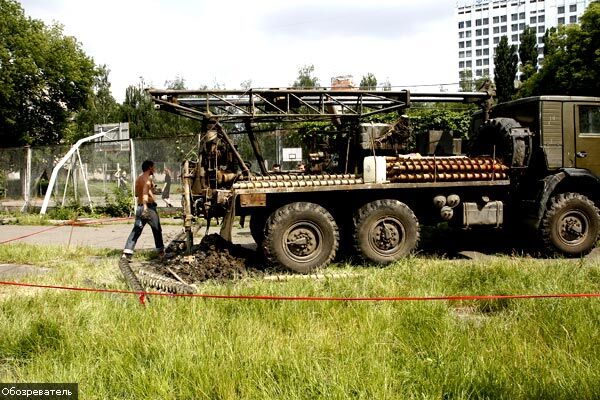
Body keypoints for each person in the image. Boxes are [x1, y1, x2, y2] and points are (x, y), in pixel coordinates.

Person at [122, 160, 164, 260]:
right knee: (157, 230)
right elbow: (145, 192)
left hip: (139, 207)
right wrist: (146, 206)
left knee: (136, 230)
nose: (155, 169)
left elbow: (137, 193)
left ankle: (127, 253)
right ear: (150, 168)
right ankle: (161, 253)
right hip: (148, 207)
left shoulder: (139, 178)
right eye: (153, 167)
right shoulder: (148, 179)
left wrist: (152, 190)